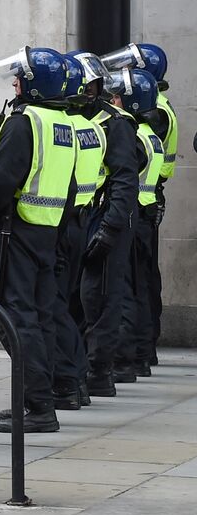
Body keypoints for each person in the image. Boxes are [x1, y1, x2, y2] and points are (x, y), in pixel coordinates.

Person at [0, 46, 76, 433]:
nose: (14, 84)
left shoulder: (24, 121)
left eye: (19, 78)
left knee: (15, 318)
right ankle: (38, 401)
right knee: (42, 317)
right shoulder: (63, 124)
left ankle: (39, 407)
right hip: (49, 230)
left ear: (32, 83)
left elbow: (1, 179)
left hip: (18, 230)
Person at [103, 43, 177, 369]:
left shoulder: (153, 115)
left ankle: (136, 354)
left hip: (141, 204)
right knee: (142, 281)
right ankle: (143, 353)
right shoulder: (153, 113)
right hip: (145, 202)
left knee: (136, 285)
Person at [79, 64, 145, 399]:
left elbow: (124, 181)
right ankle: (81, 369)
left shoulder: (114, 122)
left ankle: (99, 372)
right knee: (79, 299)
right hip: (80, 218)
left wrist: (109, 229)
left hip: (107, 217)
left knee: (100, 296)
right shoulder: (78, 119)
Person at [49, 52, 110, 409]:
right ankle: (76, 380)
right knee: (70, 307)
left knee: (56, 308)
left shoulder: (64, 126)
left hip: (58, 224)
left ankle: (70, 380)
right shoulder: (91, 127)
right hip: (81, 220)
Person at [108, 67, 166, 383]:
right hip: (143, 215)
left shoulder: (135, 135)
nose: (112, 101)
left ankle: (127, 360)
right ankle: (142, 355)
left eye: (116, 96)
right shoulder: (151, 135)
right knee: (141, 288)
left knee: (128, 291)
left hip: (134, 217)